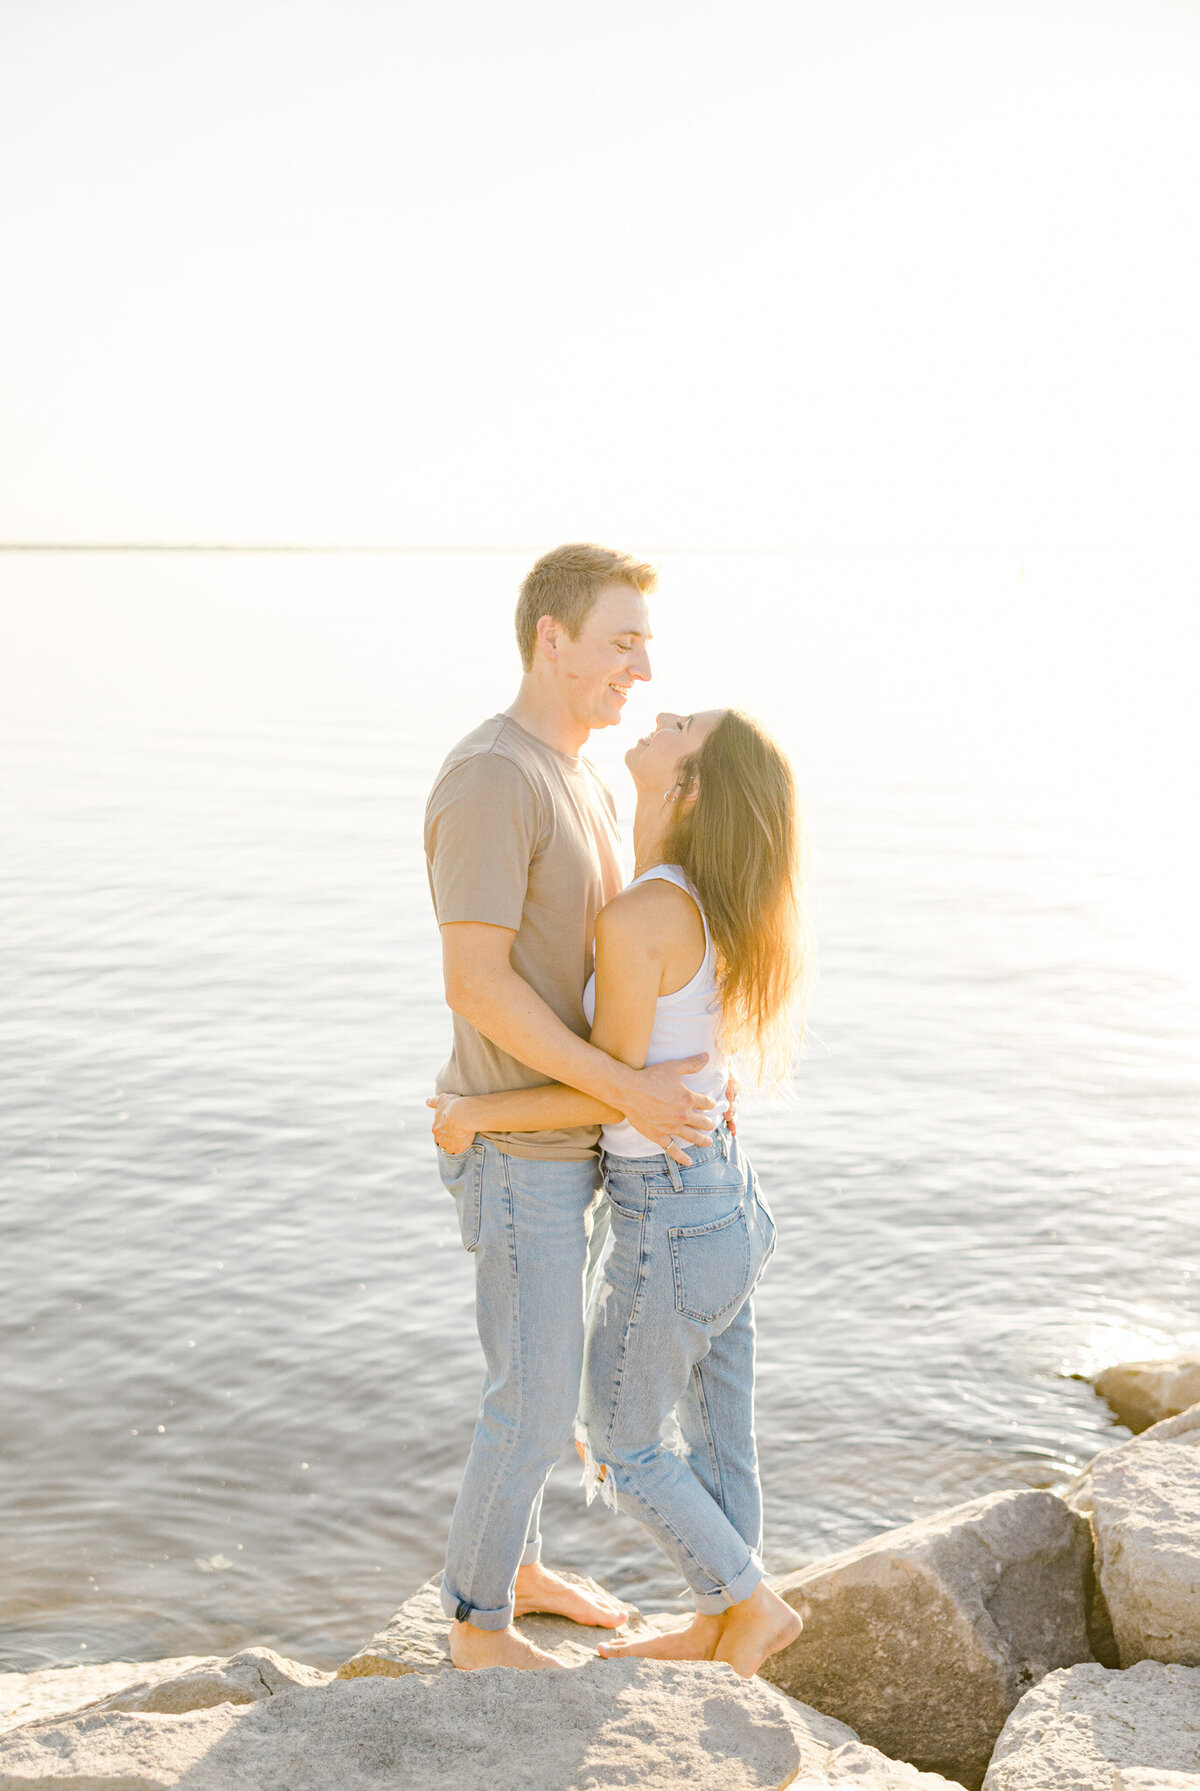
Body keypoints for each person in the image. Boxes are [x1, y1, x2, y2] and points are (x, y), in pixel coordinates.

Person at [431, 704, 809, 1677]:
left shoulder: (643, 915)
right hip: (724, 1203)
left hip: (669, 1212)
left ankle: (754, 1606)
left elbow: (607, 1083)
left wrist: (478, 1115)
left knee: (626, 1443)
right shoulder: (698, 898)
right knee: (722, 1437)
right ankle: (723, 1620)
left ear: (689, 790)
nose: (660, 711)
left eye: (682, 727)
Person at [423, 544, 719, 1674]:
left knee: (537, 1377)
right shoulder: (492, 776)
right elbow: (477, 983)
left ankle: (519, 1567)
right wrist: (628, 1088)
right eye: (623, 640)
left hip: (569, 1134)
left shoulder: (583, 773)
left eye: (647, 641)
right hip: (516, 1143)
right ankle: (475, 1627)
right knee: (538, 1400)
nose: (642, 666)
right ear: (552, 640)